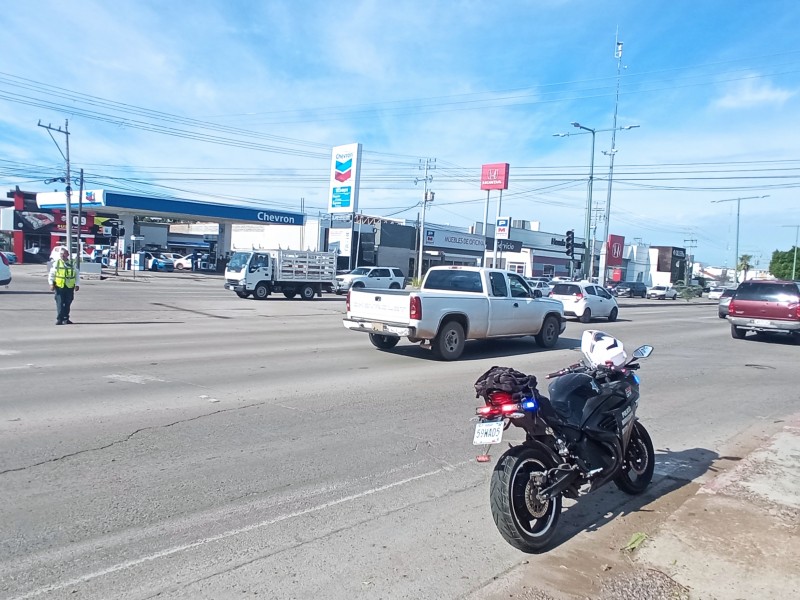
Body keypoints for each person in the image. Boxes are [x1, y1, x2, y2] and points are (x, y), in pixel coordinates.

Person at [48, 247, 80, 325]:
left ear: (68, 254)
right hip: (59, 286)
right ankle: (59, 319)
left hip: (69, 287)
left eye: (64, 254)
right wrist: (51, 284)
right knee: (60, 303)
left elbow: (76, 275)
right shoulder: (57, 263)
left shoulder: (72, 263)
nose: (62, 255)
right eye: (61, 254)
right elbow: (51, 274)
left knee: (68, 303)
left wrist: (77, 285)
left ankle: (66, 318)